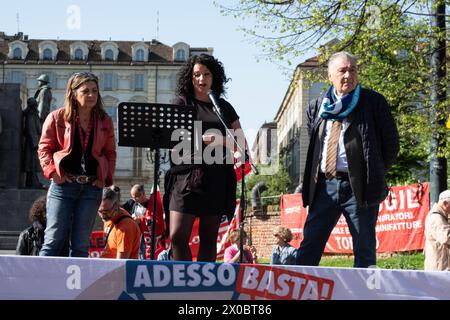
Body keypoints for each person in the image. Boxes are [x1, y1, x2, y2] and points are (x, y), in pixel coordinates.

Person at [296, 51, 399, 268]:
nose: (348, 75)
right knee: (309, 246)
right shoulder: (317, 106)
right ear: (330, 75)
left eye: (353, 70)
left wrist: (375, 172)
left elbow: (391, 145)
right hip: (324, 187)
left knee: (364, 249)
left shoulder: (373, 102)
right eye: (342, 70)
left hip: (360, 188)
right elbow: (316, 146)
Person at [164, 54, 248, 262]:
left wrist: (224, 143)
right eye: (197, 75)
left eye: (206, 75)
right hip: (185, 176)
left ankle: (204, 283)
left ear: (214, 77)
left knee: (209, 238)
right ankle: (182, 278)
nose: (201, 80)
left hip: (216, 176)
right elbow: (174, 137)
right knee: (177, 235)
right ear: (190, 78)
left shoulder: (223, 107)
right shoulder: (181, 103)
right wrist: (201, 138)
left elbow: (240, 142)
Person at [37, 72, 116, 257]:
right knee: (54, 240)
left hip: (91, 188)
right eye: (85, 91)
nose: (91, 95)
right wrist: (52, 172)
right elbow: (44, 149)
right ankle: (40, 284)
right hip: (63, 186)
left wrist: (104, 178)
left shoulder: (104, 121)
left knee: (80, 244)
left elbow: (110, 153)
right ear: (73, 93)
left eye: (95, 91)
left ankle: (75, 286)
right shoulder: (57, 118)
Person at [98, 187, 141, 259]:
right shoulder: (109, 219)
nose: (102, 216)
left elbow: (121, 264)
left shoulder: (125, 228)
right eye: (99, 211)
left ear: (116, 206)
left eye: (106, 211)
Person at [424, 190, 450, 271]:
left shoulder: (442, 216)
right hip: (439, 270)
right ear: (445, 204)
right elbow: (447, 237)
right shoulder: (436, 217)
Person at [23, 97, 44, 188]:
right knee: (32, 164)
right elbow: (31, 129)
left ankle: (32, 183)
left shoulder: (33, 114)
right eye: (35, 104)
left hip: (33, 141)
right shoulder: (31, 115)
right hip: (32, 143)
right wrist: (35, 143)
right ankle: (32, 184)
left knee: (33, 164)